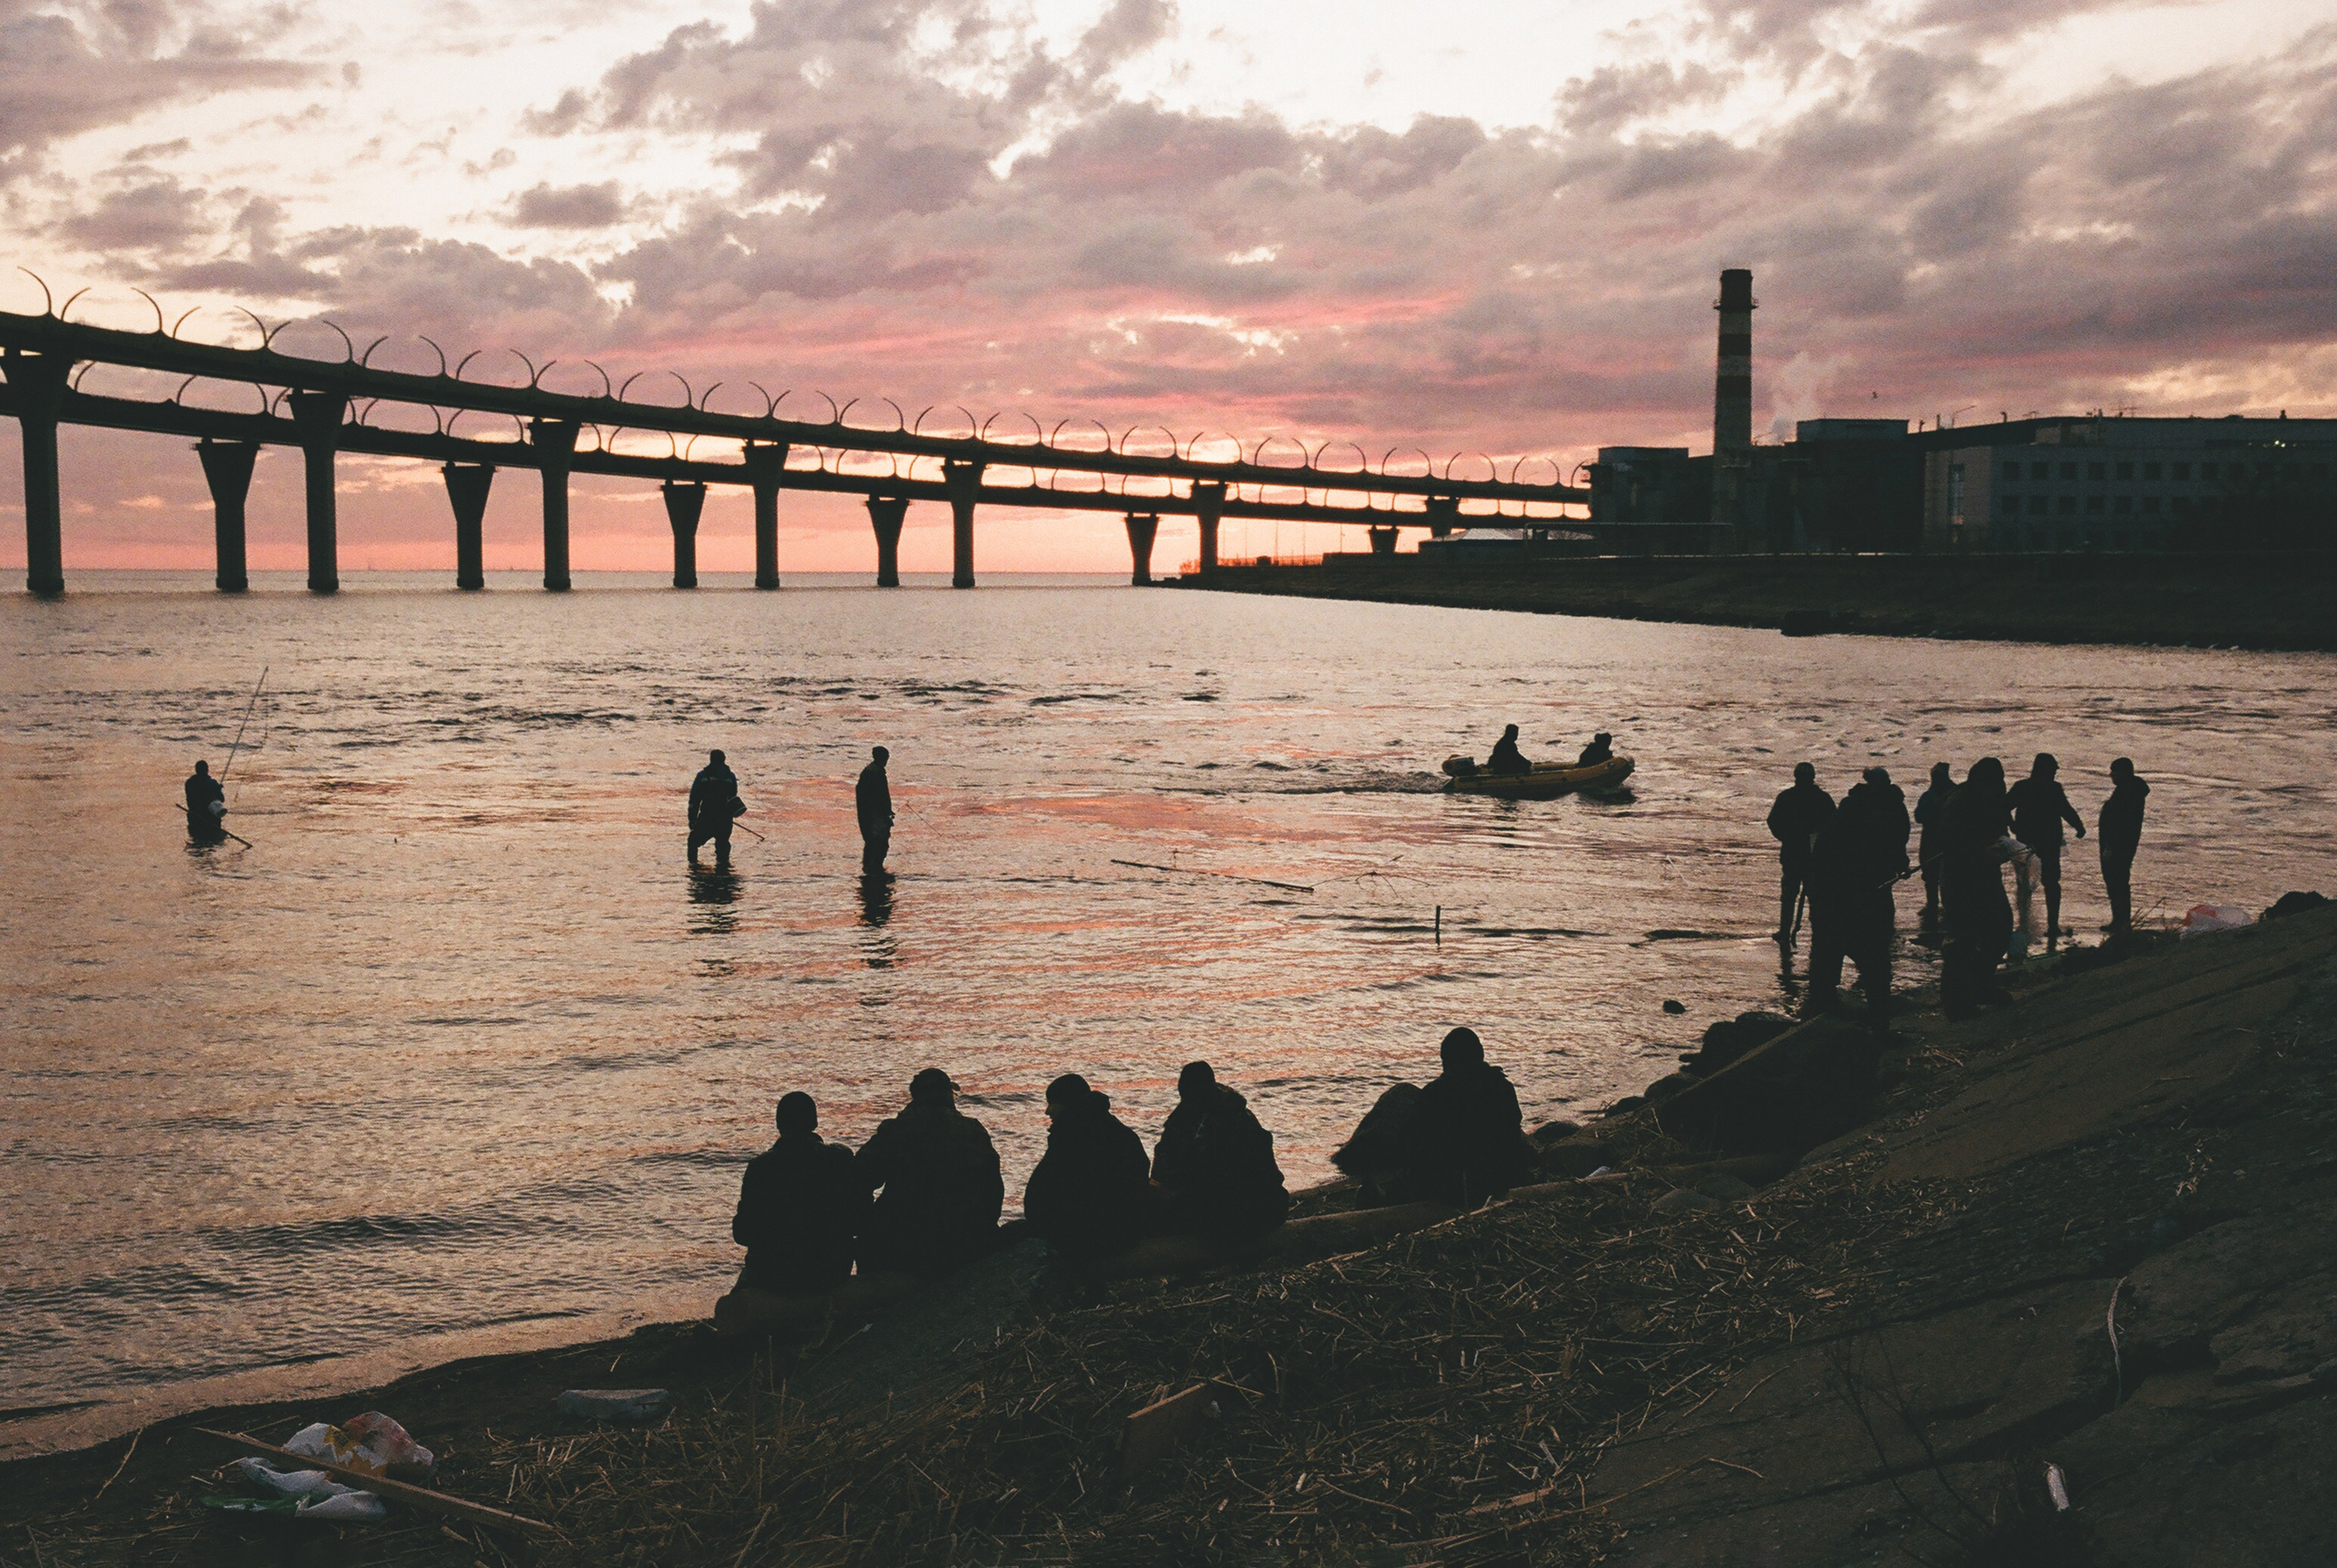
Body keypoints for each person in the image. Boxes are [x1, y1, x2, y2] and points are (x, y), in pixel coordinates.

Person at [854, 1069, 1005, 1279]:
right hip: (963, 1240)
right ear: (947, 1095)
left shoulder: (897, 1130)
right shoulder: (973, 1131)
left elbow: (860, 1177)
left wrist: (862, 1222)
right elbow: (993, 1189)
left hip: (903, 1241)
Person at [731, 1092, 866, 1296]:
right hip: (832, 1272)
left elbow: (743, 1234)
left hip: (775, 1277)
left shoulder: (761, 1168)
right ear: (814, 1122)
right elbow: (860, 1218)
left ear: (779, 1125)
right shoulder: (841, 1158)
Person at [1803, 767, 1909, 1024]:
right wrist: (1898, 867)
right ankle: (1879, 1025)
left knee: (1825, 964)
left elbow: (1819, 860)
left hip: (1827, 902)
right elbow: (1890, 854)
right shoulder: (1876, 819)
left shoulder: (1837, 818)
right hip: (1862, 903)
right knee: (1876, 966)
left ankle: (1817, 1019)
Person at [1151, 1061, 1289, 1239]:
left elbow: (1163, 1174)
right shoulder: (1242, 1113)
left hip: (1226, 1221)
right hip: (1271, 1210)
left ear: (1184, 1091)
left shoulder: (1186, 1122)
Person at [1022, 1073, 1153, 1260]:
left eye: (1053, 1103)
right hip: (1116, 1229)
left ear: (1067, 1104)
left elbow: (1075, 1193)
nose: (1047, 1111)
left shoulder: (1075, 1137)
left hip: (1095, 1235)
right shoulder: (1109, 1130)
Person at [1408, 1028, 1533, 1205]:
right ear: (1480, 1054)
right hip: (1500, 1180)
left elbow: (1417, 1146)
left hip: (1450, 1188)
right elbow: (1511, 1134)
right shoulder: (1502, 1087)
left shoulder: (1432, 1095)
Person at [1937, 757, 2015, 1019]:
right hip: (1960, 880)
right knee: (1962, 938)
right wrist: (1984, 853)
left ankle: (1981, 984)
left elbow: (1999, 828)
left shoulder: (1987, 798)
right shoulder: (1958, 802)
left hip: (1986, 877)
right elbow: (1951, 843)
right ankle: (1955, 1003)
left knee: (2000, 927)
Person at [2005, 753, 2086, 943]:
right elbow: (2066, 810)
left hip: (2025, 842)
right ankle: (2052, 926)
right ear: (2046, 770)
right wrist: (2079, 826)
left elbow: (2003, 806)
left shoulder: (2021, 787)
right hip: (2049, 843)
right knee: (2051, 884)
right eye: (2053, 769)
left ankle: (2024, 924)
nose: (2055, 773)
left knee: (2024, 884)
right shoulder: (2054, 788)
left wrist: (2011, 825)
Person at [1766, 763, 1836, 940]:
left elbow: (1773, 822)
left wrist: (1788, 838)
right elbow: (1834, 826)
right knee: (1813, 897)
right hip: (1810, 856)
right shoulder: (1822, 799)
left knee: (1793, 896)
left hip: (1797, 855)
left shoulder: (1787, 797)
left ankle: (1786, 932)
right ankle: (1816, 933)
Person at [2099, 758, 2150, 938]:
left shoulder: (2126, 793)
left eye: (2114, 771)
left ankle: (2121, 922)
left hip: (2118, 845)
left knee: (2117, 881)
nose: (2111, 775)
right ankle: (2120, 920)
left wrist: (2110, 847)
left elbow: (2118, 823)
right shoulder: (2129, 790)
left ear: (2123, 773)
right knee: (2117, 881)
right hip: (2123, 843)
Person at [1913, 762, 1954, 919]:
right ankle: (1933, 904)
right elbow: (1919, 816)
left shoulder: (1948, 794)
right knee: (1931, 874)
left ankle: (1941, 905)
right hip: (1934, 838)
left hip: (1942, 839)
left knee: (1943, 874)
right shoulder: (1931, 795)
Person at [688, 749, 741, 866]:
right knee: (723, 846)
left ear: (711, 760)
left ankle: (693, 869)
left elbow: (694, 800)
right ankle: (724, 873)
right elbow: (733, 799)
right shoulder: (731, 777)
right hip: (725, 820)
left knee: (692, 842)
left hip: (707, 817)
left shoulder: (702, 776)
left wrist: (692, 819)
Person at [856, 747, 894, 875]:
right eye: (885, 757)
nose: (887, 759)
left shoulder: (871, 771)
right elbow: (878, 797)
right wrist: (885, 813)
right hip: (874, 816)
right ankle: (874, 869)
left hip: (872, 815)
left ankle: (871, 868)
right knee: (878, 842)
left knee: (875, 842)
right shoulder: (874, 773)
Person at [183, 760, 227, 844]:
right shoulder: (212, 783)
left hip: (194, 818)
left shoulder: (189, 783)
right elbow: (221, 799)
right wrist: (217, 790)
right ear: (207, 770)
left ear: (196, 770)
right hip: (210, 819)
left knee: (196, 841)